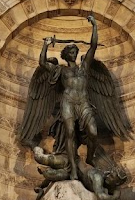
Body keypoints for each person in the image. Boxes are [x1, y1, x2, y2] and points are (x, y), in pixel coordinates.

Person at [39, 15, 100, 181]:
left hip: (83, 102)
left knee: (93, 132)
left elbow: (93, 46)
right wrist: (45, 45)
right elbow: (43, 63)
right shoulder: (61, 70)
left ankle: (89, 157)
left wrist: (94, 26)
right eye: (70, 52)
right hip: (68, 102)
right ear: (66, 55)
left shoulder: (84, 67)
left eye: (75, 51)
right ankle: (73, 169)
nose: (73, 54)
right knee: (70, 132)